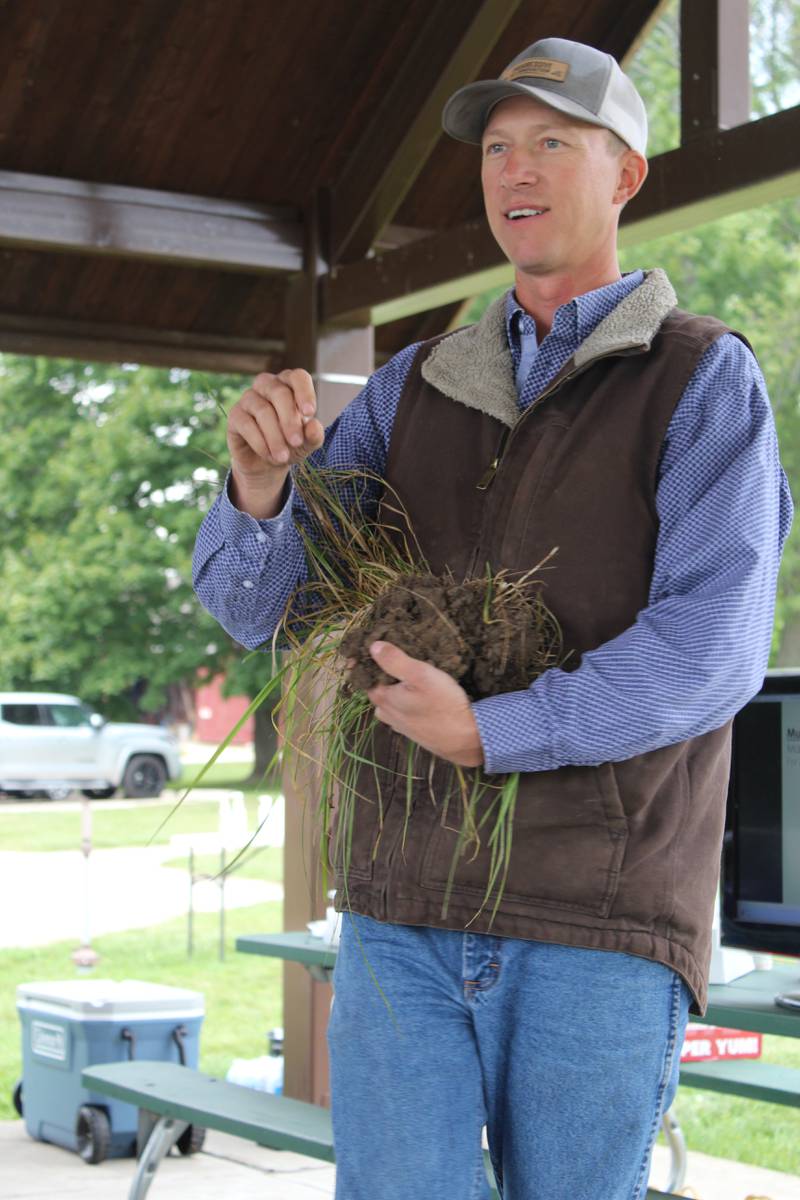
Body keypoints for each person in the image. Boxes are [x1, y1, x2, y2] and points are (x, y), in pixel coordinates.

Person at [193, 37, 792, 1200]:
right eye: (498, 149)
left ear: (624, 176)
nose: (513, 171)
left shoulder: (700, 381)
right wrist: (258, 490)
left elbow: (711, 647)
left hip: (597, 917)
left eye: (552, 145)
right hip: (399, 907)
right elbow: (266, 606)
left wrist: (494, 731)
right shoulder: (410, 388)